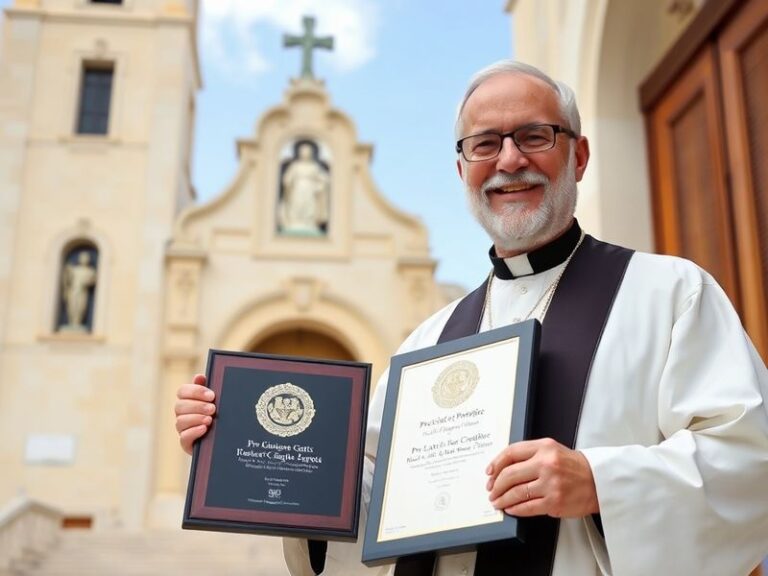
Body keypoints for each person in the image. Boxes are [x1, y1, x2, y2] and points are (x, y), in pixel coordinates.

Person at [174, 60, 768, 575]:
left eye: (535, 135)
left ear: (578, 156)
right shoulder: (427, 340)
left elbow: (750, 460)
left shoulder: (669, 293)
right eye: (485, 144)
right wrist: (242, 442)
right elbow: (370, 507)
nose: (509, 159)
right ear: (463, 171)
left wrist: (600, 483)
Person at [278, 141, 331, 235]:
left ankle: (309, 223)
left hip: (310, 190)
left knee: (309, 207)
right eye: (303, 151)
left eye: (307, 152)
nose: (305, 153)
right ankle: (294, 222)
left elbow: (324, 179)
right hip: (297, 189)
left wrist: (318, 187)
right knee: (297, 205)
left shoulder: (314, 167)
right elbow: (287, 178)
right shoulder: (295, 166)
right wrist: (288, 183)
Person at [60, 250, 97, 331]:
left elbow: (92, 281)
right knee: (72, 307)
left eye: (86, 258)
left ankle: (77, 323)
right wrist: (68, 271)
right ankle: (72, 323)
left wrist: (88, 281)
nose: (84, 259)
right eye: (83, 258)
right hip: (73, 291)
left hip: (82, 292)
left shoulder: (90, 271)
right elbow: (67, 280)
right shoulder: (74, 270)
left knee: (81, 307)